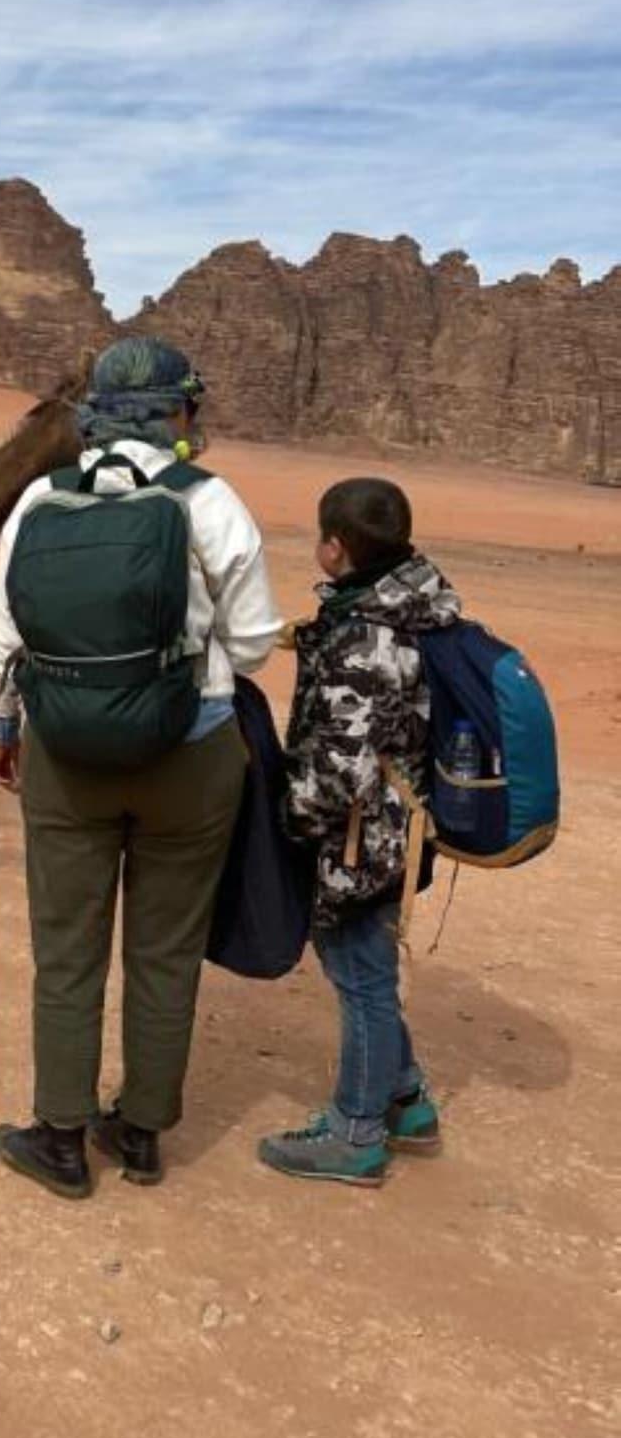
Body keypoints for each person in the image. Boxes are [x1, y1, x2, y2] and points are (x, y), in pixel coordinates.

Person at [0, 337, 281, 1198]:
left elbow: (6, 633)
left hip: (65, 755)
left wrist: (2, 725)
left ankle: (60, 1137)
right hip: (188, 757)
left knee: (67, 951)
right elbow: (257, 643)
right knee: (165, 950)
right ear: (178, 412)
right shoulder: (211, 501)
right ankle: (143, 1131)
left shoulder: (43, 497)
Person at [258, 477, 458, 1186]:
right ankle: (404, 1102)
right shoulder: (407, 598)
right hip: (393, 829)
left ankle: (356, 1134)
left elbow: (337, 773)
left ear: (335, 549)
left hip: (362, 838)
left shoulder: (371, 639)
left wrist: (284, 822)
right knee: (367, 969)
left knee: (361, 978)